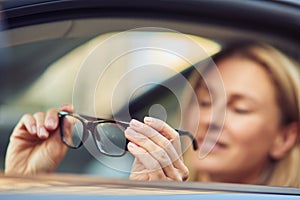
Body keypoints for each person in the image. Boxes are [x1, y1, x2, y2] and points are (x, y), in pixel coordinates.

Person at [4, 42, 300, 187]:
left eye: (240, 108)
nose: (210, 120)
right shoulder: (126, 181)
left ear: (285, 137)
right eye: (205, 103)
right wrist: (29, 183)